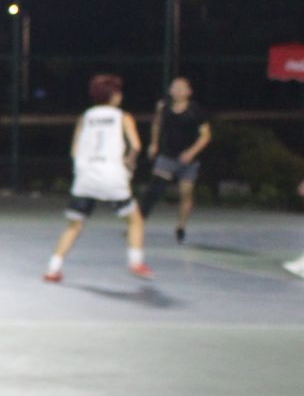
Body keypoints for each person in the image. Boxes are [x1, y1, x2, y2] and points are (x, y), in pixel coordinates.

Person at [45, 74, 150, 282]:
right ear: (114, 96)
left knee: (74, 226)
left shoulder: (85, 117)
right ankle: (135, 262)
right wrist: (130, 162)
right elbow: (136, 146)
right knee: (135, 220)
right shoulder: (122, 116)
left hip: (86, 177)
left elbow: (75, 151)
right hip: (112, 175)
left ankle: (53, 269)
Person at [138, 75, 212, 241]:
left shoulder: (195, 110)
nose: (177, 91)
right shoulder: (163, 107)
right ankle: (138, 224)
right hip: (168, 156)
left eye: (181, 88)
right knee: (154, 191)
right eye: (174, 87)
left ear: (189, 91)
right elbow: (157, 124)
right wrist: (153, 144)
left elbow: (206, 136)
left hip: (189, 161)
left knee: (186, 194)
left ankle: (181, 227)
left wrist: (191, 152)